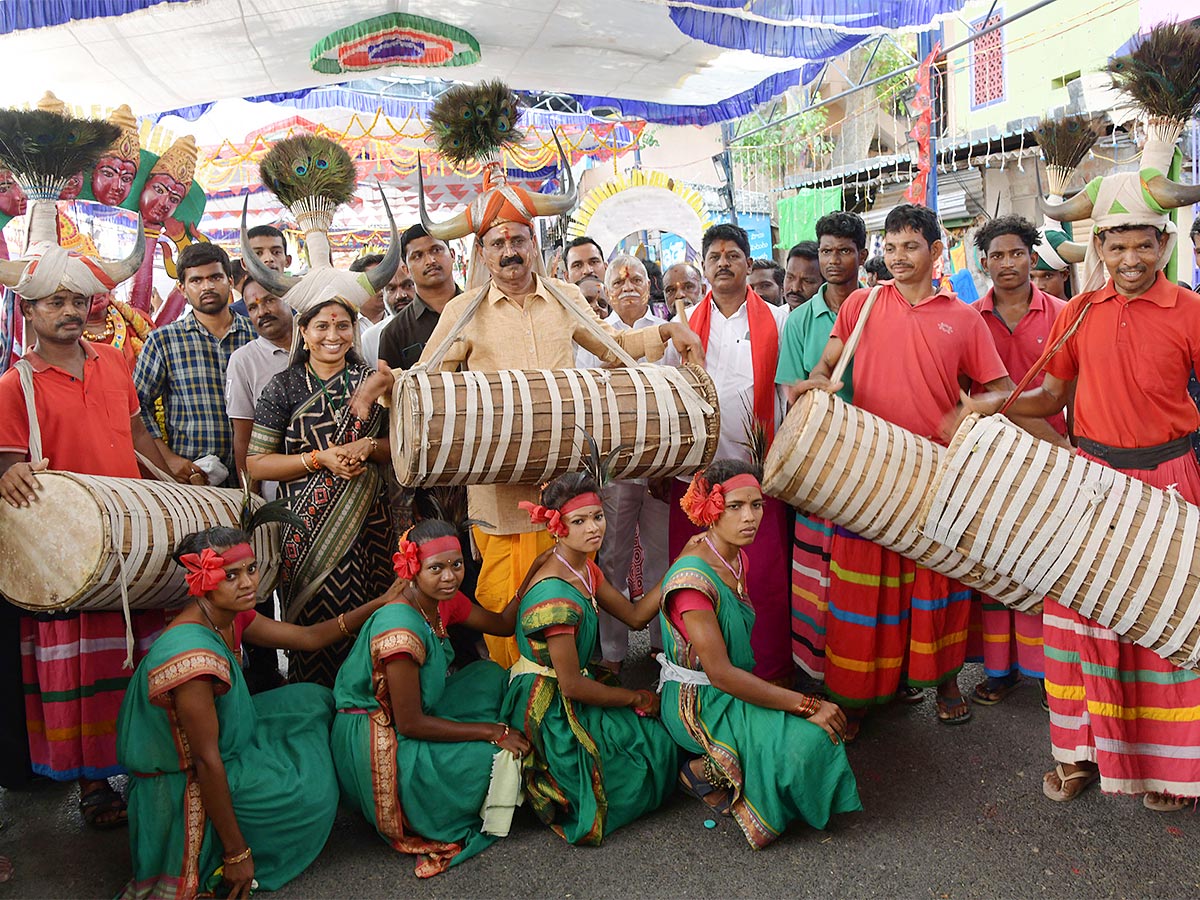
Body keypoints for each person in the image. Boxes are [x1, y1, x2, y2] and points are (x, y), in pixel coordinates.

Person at [357, 205, 703, 669]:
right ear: (481, 254)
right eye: (497, 244)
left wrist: (665, 329)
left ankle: (568, 699)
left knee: (569, 603)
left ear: (533, 246)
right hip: (498, 499)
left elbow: (613, 348)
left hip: (563, 493)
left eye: (518, 241)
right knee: (505, 608)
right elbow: (427, 379)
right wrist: (389, 386)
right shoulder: (465, 310)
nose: (509, 253)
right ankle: (517, 701)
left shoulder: (564, 297)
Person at [968, 182, 1200, 811]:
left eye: (1143, 245)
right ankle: (1076, 757)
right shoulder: (1078, 313)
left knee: (1164, 627)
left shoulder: (1190, 309)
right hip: (1091, 487)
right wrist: (990, 405)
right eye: (1118, 245)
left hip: (1170, 485)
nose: (1131, 259)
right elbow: (1051, 399)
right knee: (1077, 628)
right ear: (1098, 246)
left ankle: (1171, 771)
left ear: (1164, 244)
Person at [790, 204, 1013, 740]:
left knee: (936, 585)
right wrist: (818, 382)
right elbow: (828, 363)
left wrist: (970, 411)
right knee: (863, 591)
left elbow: (1000, 389)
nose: (898, 257)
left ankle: (945, 682)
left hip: (935, 473)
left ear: (936, 252)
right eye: (890, 248)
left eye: (910, 247)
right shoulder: (863, 305)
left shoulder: (962, 318)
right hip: (866, 468)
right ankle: (858, 692)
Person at [116, 525, 399, 899]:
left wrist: (380, 603)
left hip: (222, 742)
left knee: (314, 699)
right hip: (184, 780)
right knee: (311, 795)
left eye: (251, 569)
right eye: (231, 575)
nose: (248, 583)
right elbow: (205, 760)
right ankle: (236, 839)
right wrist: (237, 853)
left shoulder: (229, 615)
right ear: (202, 581)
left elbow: (308, 638)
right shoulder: (191, 658)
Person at [0, 183, 163, 828]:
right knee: (83, 662)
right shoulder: (15, 384)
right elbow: (10, 466)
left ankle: (146, 766)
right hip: (64, 549)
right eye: (55, 302)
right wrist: (5, 475)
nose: (70, 311)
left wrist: (182, 474)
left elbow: (142, 438)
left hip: (129, 530)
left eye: (78, 300)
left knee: (133, 655)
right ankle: (95, 787)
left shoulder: (117, 364)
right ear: (29, 311)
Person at [658, 460, 861, 846]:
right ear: (712, 509)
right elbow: (721, 674)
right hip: (699, 702)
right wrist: (806, 704)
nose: (750, 517)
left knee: (815, 737)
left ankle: (743, 767)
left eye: (757, 505)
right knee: (811, 740)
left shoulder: (735, 558)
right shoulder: (693, 583)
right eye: (736, 506)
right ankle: (701, 770)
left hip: (729, 690)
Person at [332, 520, 532, 877]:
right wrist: (491, 731)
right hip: (379, 734)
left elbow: (502, 624)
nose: (450, 577)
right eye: (436, 568)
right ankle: (425, 802)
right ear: (412, 569)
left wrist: (535, 571)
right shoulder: (400, 631)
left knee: (490, 675)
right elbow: (410, 723)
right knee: (491, 755)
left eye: (456, 565)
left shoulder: (443, 601)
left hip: (412, 711)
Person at [500, 472, 678, 844]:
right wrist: (637, 696)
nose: (594, 528)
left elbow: (634, 616)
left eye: (598, 516)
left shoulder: (582, 566)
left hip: (572, 684)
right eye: (579, 521)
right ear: (557, 529)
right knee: (646, 755)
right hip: (550, 706)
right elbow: (572, 685)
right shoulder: (557, 600)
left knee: (650, 738)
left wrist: (679, 569)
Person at [247, 296, 394, 686]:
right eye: (323, 327)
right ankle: (314, 713)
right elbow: (257, 462)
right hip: (304, 530)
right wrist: (319, 459)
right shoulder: (284, 386)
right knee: (315, 625)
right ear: (304, 332)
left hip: (370, 526)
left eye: (343, 326)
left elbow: (403, 446)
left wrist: (370, 447)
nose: (334, 335)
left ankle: (369, 719)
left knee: (374, 626)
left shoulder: (374, 383)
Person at [668, 223, 791, 684]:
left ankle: (770, 675)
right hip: (697, 478)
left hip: (757, 474)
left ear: (748, 263)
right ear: (704, 266)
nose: (723, 262)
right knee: (700, 573)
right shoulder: (681, 327)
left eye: (732, 255)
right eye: (714, 256)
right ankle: (703, 675)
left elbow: (787, 393)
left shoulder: (778, 320)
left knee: (761, 576)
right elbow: (669, 396)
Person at [966, 215, 1069, 708]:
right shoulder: (967, 317)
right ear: (982, 263)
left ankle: (1055, 675)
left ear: (1032, 256)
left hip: (1055, 454)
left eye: (1016, 253)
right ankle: (1000, 670)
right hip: (991, 459)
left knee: (1052, 564)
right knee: (997, 565)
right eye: (996, 255)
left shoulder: (1065, 314)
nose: (1007, 263)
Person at [776, 211, 868, 682]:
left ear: (863, 255)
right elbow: (795, 395)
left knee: (869, 572)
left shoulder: (881, 308)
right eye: (827, 250)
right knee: (819, 573)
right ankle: (824, 669)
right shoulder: (798, 321)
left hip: (876, 458)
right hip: (822, 458)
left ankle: (877, 672)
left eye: (844, 251)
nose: (834, 260)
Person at [576, 256, 670, 673]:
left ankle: (662, 644)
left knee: (660, 556)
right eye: (619, 281)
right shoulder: (591, 337)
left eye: (637, 279)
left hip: (662, 468)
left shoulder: (669, 332)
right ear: (607, 291)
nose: (628, 285)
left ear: (650, 288)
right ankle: (612, 653)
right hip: (612, 470)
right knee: (610, 558)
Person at [134, 243, 254, 487]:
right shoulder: (163, 341)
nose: (207, 286)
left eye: (215, 277)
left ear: (230, 280)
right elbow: (136, 405)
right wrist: (168, 459)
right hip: (194, 478)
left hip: (256, 475)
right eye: (196, 280)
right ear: (182, 288)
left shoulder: (256, 336)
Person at [225, 276, 294, 487]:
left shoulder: (319, 345)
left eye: (269, 300)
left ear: (290, 299)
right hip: (277, 488)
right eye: (252, 308)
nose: (262, 312)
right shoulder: (244, 360)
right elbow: (243, 437)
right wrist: (251, 498)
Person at [377, 224, 462, 372]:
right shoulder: (394, 332)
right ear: (406, 269)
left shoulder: (483, 310)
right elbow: (393, 390)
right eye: (418, 256)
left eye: (436, 250)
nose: (430, 261)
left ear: (453, 255)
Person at [358, 252, 412, 365]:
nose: (400, 295)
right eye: (391, 289)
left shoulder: (439, 322)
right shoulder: (369, 338)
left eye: (408, 285)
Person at [81, 291, 153, 372]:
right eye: (88, 288)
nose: (96, 292)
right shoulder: (67, 340)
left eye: (99, 284)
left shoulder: (137, 319)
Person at [348, 253, 390, 335]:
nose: (383, 289)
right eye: (377, 282)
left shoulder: (398, 319)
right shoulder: (346, 322)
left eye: (386, 282)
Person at [1030, 228, 1075, 301]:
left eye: (1047, 276)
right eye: (1031, 277)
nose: (1038, 286)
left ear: (1064, 275)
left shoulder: (1081, 311)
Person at [783, 241, 822, 310]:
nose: (795, 288)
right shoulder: (775, 317)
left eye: (807, 281)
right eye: (790, 277)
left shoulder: (836, 318)